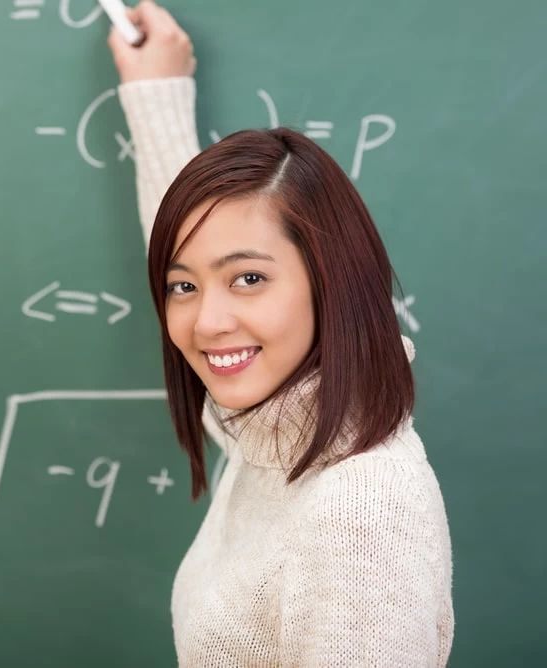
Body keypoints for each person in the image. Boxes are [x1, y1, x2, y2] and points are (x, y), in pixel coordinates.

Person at [106, 2, 455, 666]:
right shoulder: (271, 435)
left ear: (331, 281)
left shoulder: (363, 510)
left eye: (248, 281)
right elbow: (189, 243)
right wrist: (155, 96)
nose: (206, 322)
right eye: (183, 287)